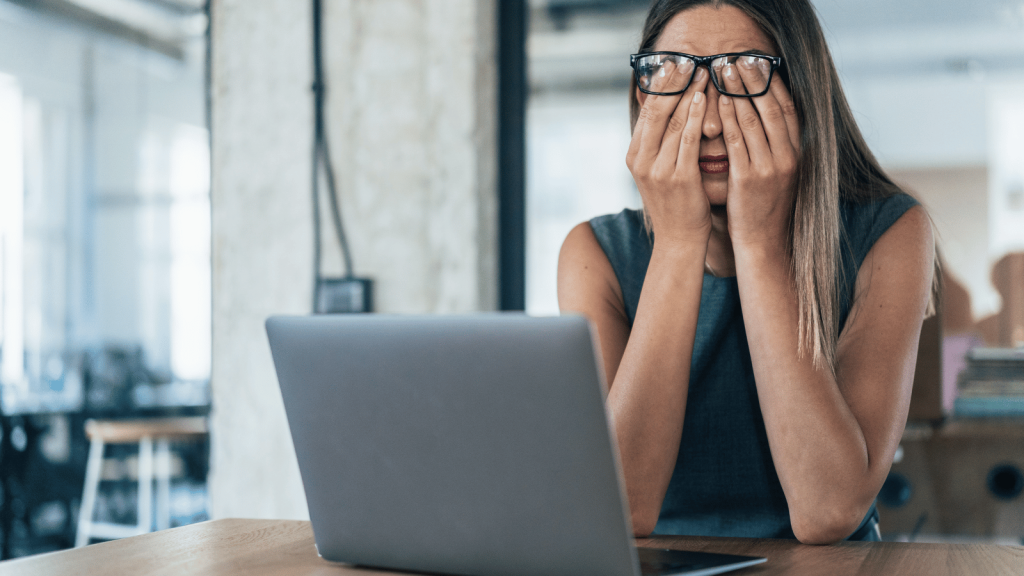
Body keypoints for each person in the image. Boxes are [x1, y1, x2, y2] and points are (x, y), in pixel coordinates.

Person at [557, 0, 937, 544]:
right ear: (644, 96)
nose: (710, 122)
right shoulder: (594, 253)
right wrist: (679, 242)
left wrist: (758, 242)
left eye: (745, 75)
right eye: (677, 78)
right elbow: (620, 510)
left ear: (801, 95)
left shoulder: (892, 231)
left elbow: (828, 510)